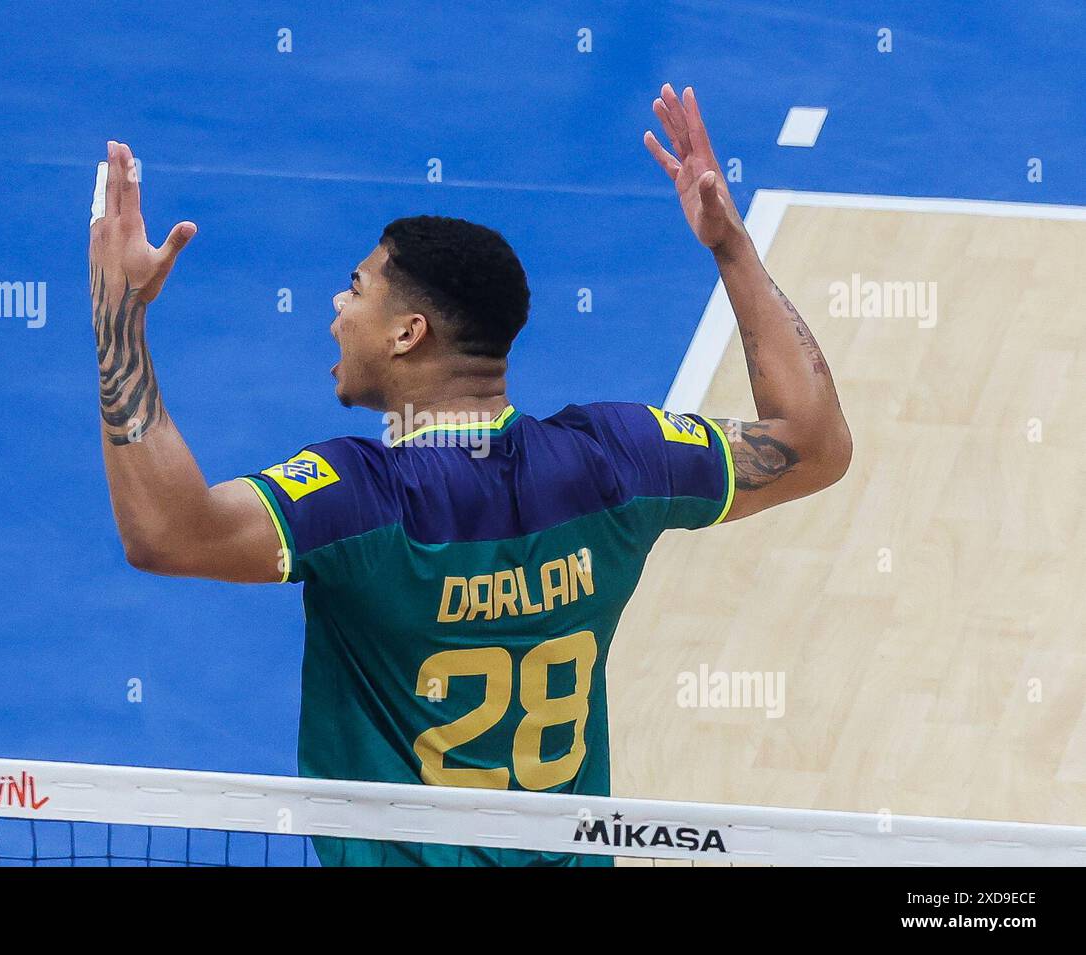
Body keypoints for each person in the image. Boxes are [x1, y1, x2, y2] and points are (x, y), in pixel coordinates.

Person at [87, 84, 852, 866]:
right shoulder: (619, 457)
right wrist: (730, 246)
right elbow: (814, 443)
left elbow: (166, 534)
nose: (335, 307)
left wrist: (118, 314)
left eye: (356, 289)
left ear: (408, 333)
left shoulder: (360, 497)